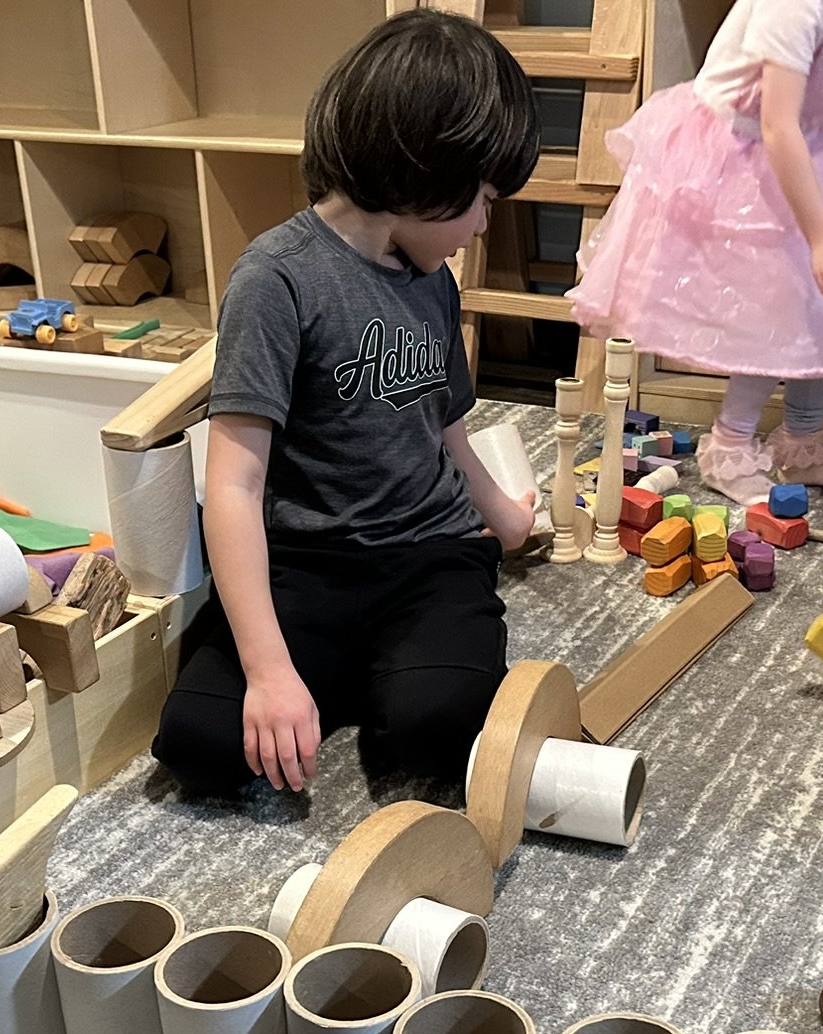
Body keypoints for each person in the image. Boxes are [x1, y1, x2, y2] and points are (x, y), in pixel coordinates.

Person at [152, 11, 540, 796]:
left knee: (439, 731)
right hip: (308, 566)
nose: (483, 225)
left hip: (430, 555)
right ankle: (357, 677)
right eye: (482, 199)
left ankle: (379, 679)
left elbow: (444, 424)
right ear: (423, 176)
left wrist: (502, 515)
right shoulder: (276, 279)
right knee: (198, 745)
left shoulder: (432, 279)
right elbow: (233, 486)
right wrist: (268, 672)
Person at [568, 0, 823, 504]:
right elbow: (777, 125)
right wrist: (822, 238)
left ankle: (803, 440)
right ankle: (730, 445)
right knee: (772, 312)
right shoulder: (798, 5)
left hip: (803, 145)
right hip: (742, 150)